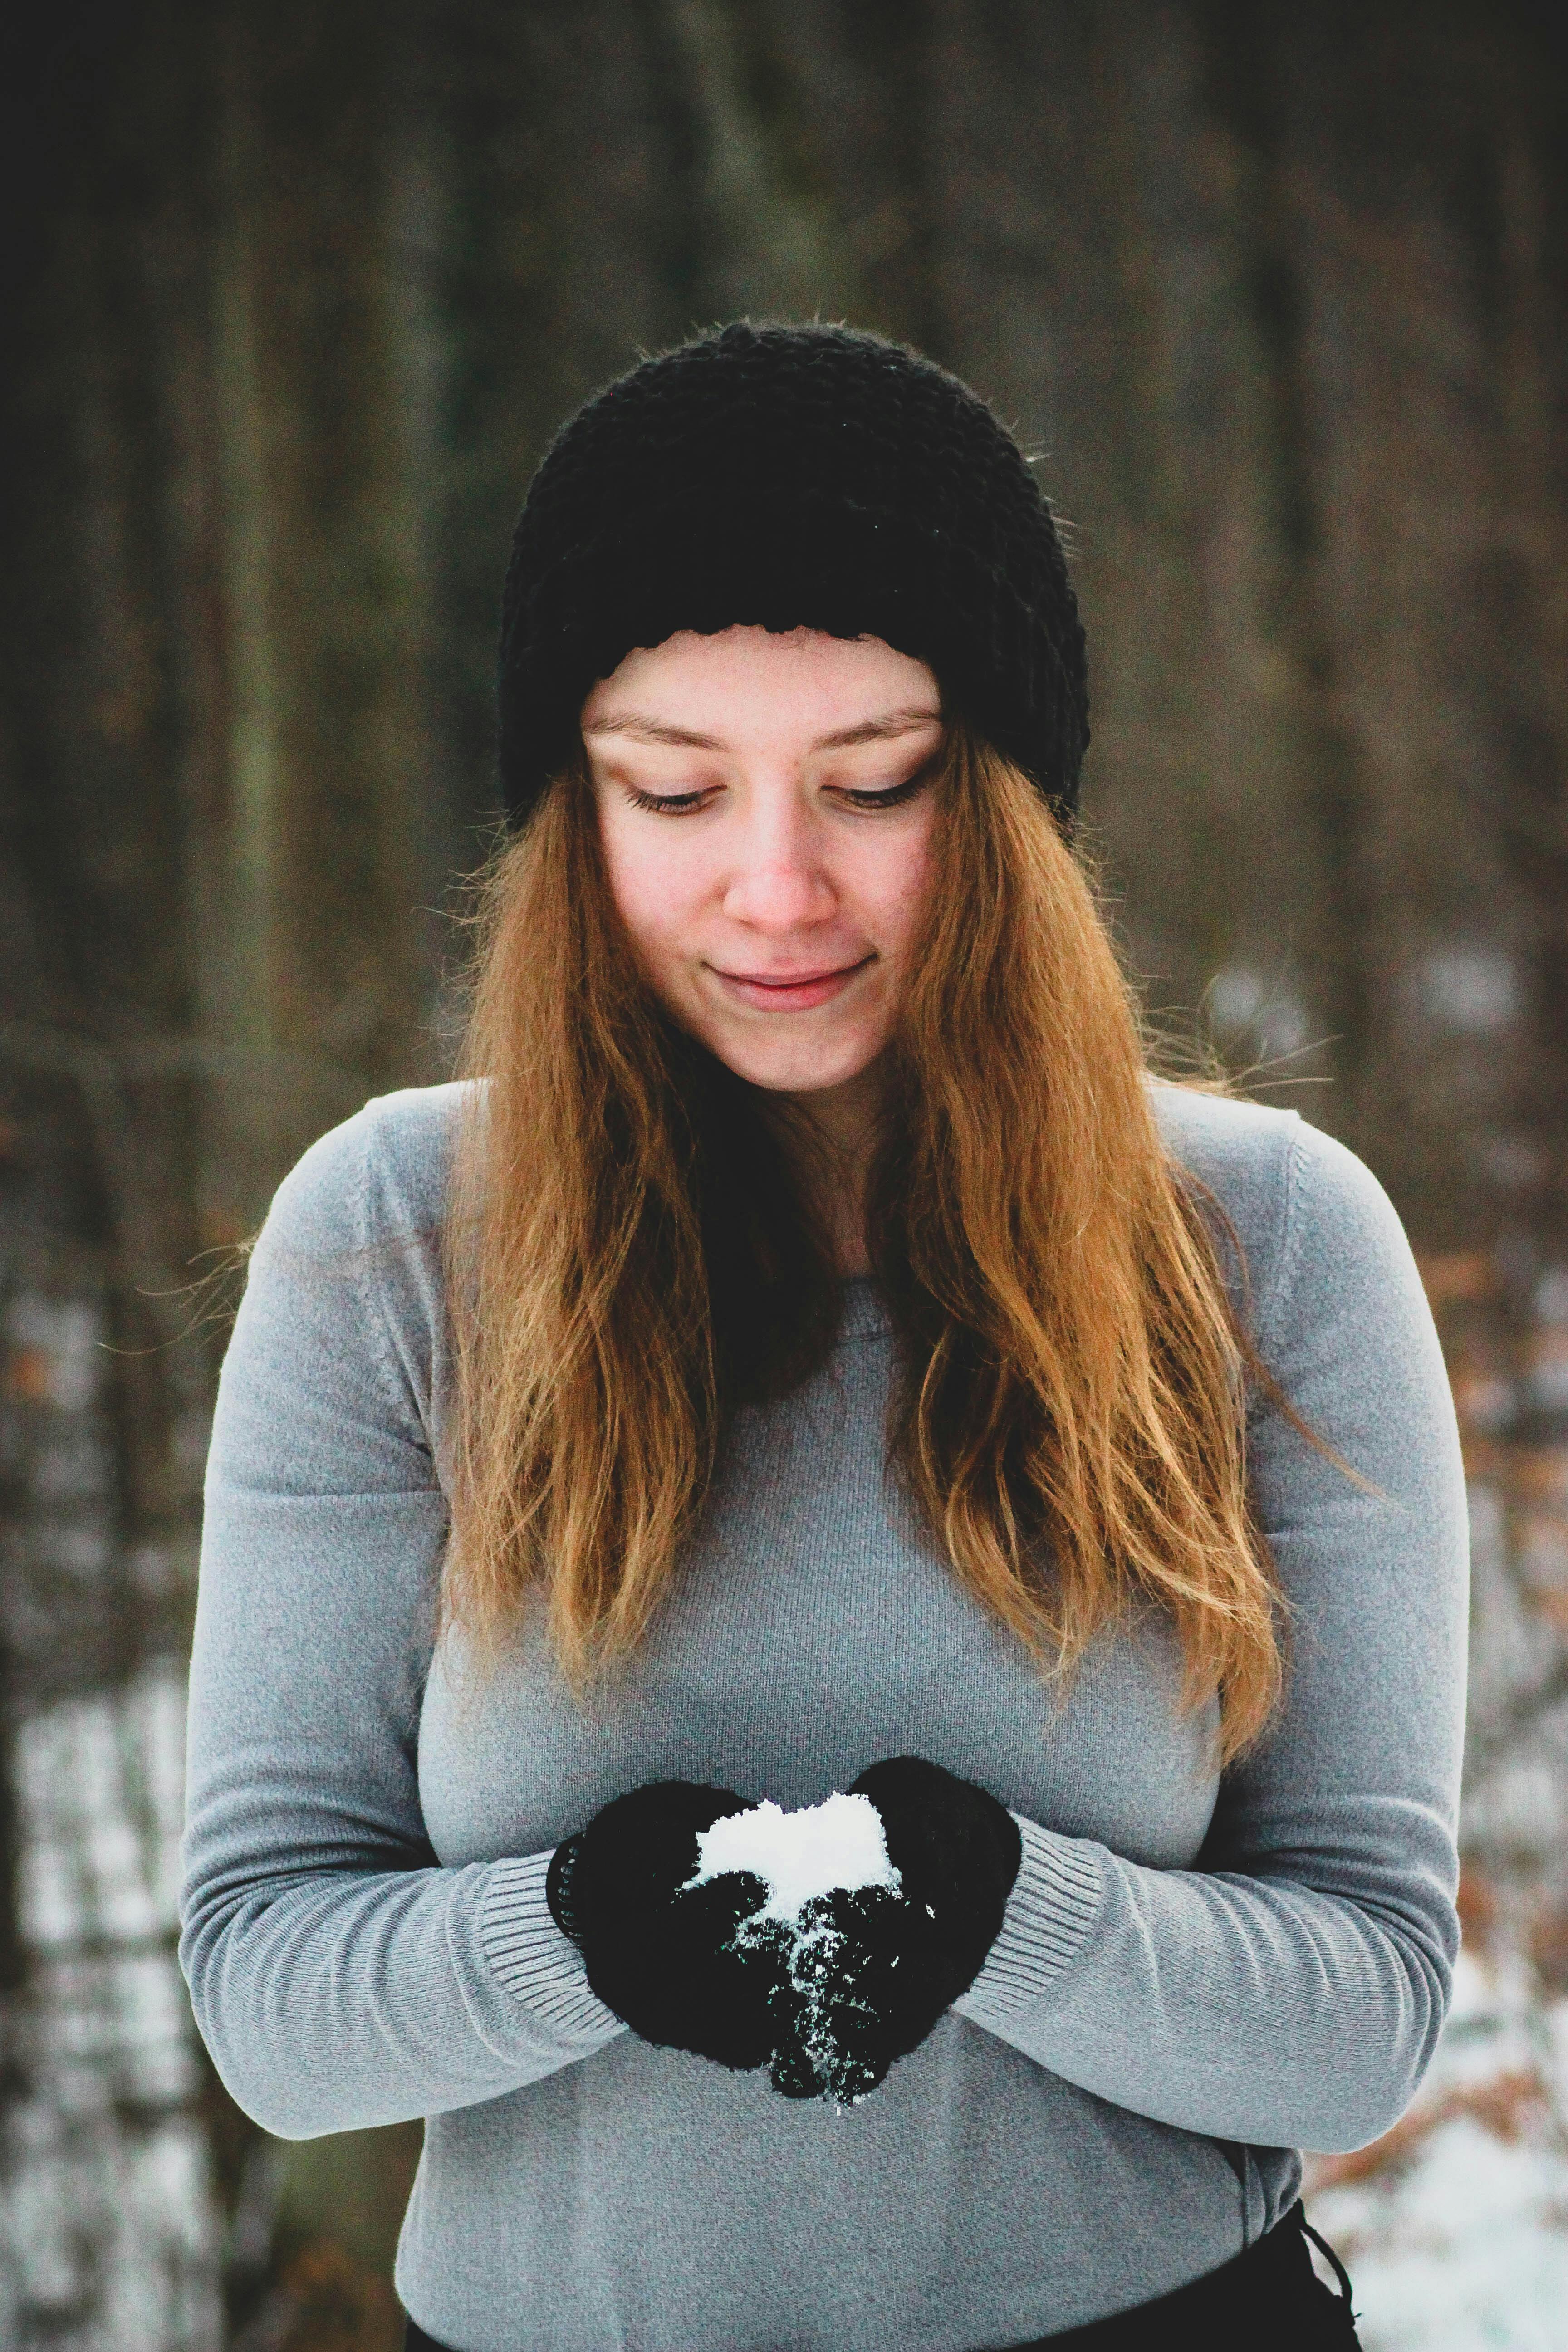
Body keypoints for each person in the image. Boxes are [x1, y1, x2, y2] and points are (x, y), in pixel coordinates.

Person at [180, 322, 1468, 2352]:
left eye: (879, 783)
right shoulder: (397, 1245)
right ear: (571, 820)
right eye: (673, 789)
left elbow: (1362, 2017)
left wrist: (1005, 1910)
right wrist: (581, 1937)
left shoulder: (1271, 1245)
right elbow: (272, 1997)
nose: (775, 885)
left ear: (1019, 806)